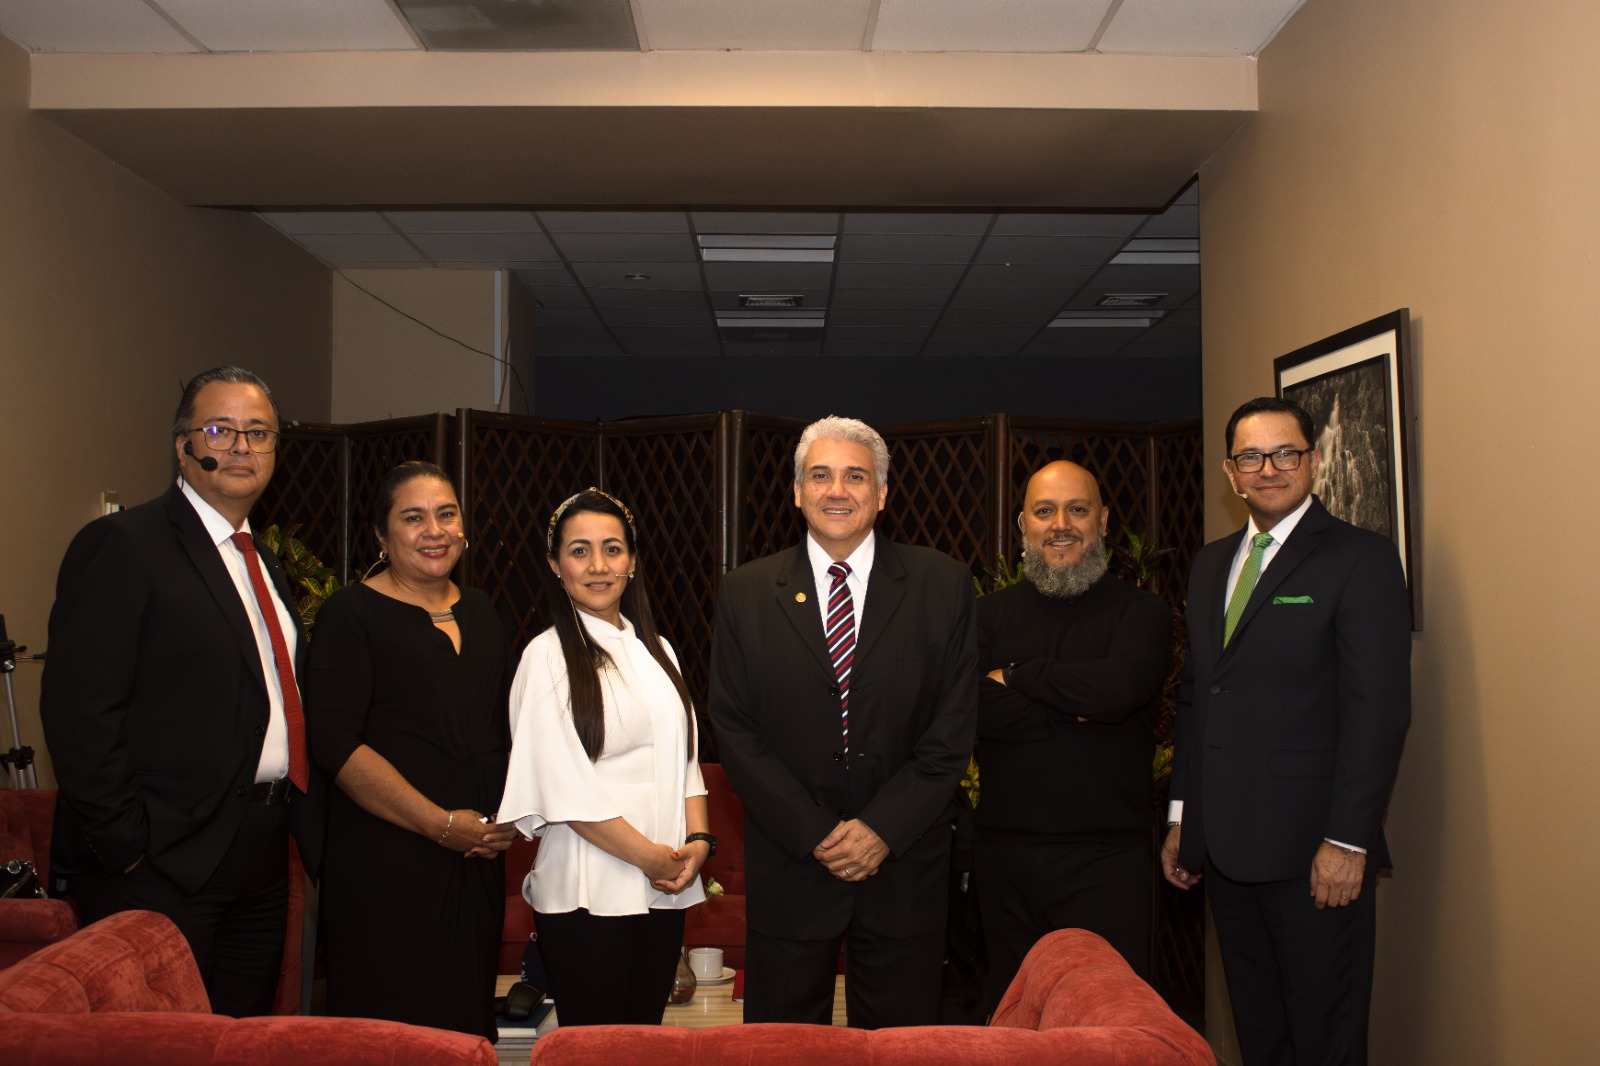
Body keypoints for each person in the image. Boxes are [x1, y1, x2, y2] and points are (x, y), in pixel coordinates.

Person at [41, 366, 325, 1017]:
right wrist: (129, 847)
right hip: (160, 865)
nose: (242, 448)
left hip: (259, 859)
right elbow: (79, 712)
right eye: (221, 430)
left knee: (235, 1042)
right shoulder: (123, 545)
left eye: (259, 433)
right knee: (163, 1045)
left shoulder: (263, 559)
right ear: (181, 444)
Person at [1161, 396, 1411, 1065]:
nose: (1269, 468)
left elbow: (1378, 711)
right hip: (1225, 852)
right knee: (1260, 1034)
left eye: (1286, 453)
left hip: (1314, 855)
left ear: (1316, 462)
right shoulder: (1212, 562)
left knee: (1324, 1039)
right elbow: (1197, 698)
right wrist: (1185, 815)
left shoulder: (1362, 559)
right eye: (1251, 456)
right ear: (1230, 471)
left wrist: (1348, 839)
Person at [707, 416, 978, 1029]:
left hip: (904, 867)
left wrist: (881, 828)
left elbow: (951, 729)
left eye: (856, 476)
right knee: (784, 1051)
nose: (838, 490)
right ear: (796, 491)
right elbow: (734, 727)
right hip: (792, 868)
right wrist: (815, 832)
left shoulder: (943, 585)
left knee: (901, 1051)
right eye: (820, 475)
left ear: (882, 493)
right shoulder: (745, 593)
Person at [304, 461, 515, 1040]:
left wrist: (507, 822)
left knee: (463, 1033)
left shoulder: (484, 610)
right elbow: (336, 745)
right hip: (386, 865)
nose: (435, 530)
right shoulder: (351, 614)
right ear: (381, 535)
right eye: (413, 517)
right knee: (392, 1037)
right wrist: (440, 825)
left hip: (475, 861)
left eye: (447, 514)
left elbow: (507, 730)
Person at [498, 488, 709, 1026]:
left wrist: (699, 845)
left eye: (612, 549)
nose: (598, 565)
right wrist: (650, 857)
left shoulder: (659, 649)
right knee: (594, 1048)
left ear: (633, 561)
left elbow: (686, 763)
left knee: (642, 1041)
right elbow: (563, 789)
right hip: (587, 889)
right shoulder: (546, 657)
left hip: (663, 886)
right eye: (580, 550)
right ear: (554, 564)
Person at [974, 460, 1171, 1014]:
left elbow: (1120, 689)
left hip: (1107, 862)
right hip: (1004, 861)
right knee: (1013, 1024)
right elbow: (966, 708)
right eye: (1044, 511)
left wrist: (1016, 677)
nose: (1061, 524)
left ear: (1104, 521)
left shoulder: (1142, 612)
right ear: (1023, 526)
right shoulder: (984, 616)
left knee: (1105, 1024)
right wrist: (1078, 708)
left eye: (1077, 509)